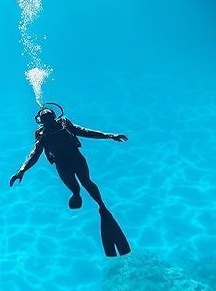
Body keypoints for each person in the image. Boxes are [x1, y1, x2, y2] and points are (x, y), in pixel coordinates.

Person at [9, 103, 132, 256]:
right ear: (41, 121)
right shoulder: (42, 136)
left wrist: (109, 135)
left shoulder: (65, 124)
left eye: (50, 116)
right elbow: (34, 154)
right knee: (75, 188)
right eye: (45, 118)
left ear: (55, 116)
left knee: (86, 182)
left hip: (76, 158)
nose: (48, 119)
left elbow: (86, 132)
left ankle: (102, 206)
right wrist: (22, 170)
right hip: (62, 164)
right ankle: (77, 195)